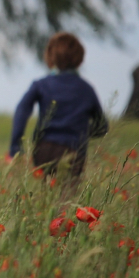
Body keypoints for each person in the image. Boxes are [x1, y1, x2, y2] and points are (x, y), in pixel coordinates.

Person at [8, 32, 108, 180]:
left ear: (50, 57)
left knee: (46, 194)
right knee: (67, 197)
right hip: (74, 150)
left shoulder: (41, 85)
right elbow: (102, 127)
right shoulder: (86, 89)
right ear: (79, 59)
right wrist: (81, 132)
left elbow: (21, 111)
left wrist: (16, 147)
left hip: (44, 149)